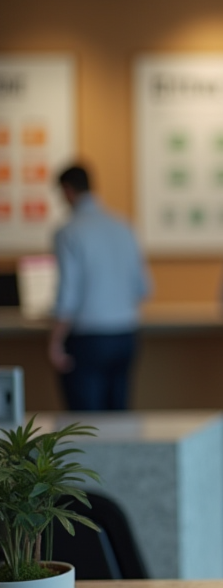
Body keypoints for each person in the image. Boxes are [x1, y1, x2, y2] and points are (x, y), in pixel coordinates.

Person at [49, 164, 152, 412]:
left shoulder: (68, 231)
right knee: (118, 418)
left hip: (88, 338)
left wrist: (55, 341)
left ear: (67, 191)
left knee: (86, 425)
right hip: (125, 335)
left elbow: (68, 295)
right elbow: (144, 288)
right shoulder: (124, 226)